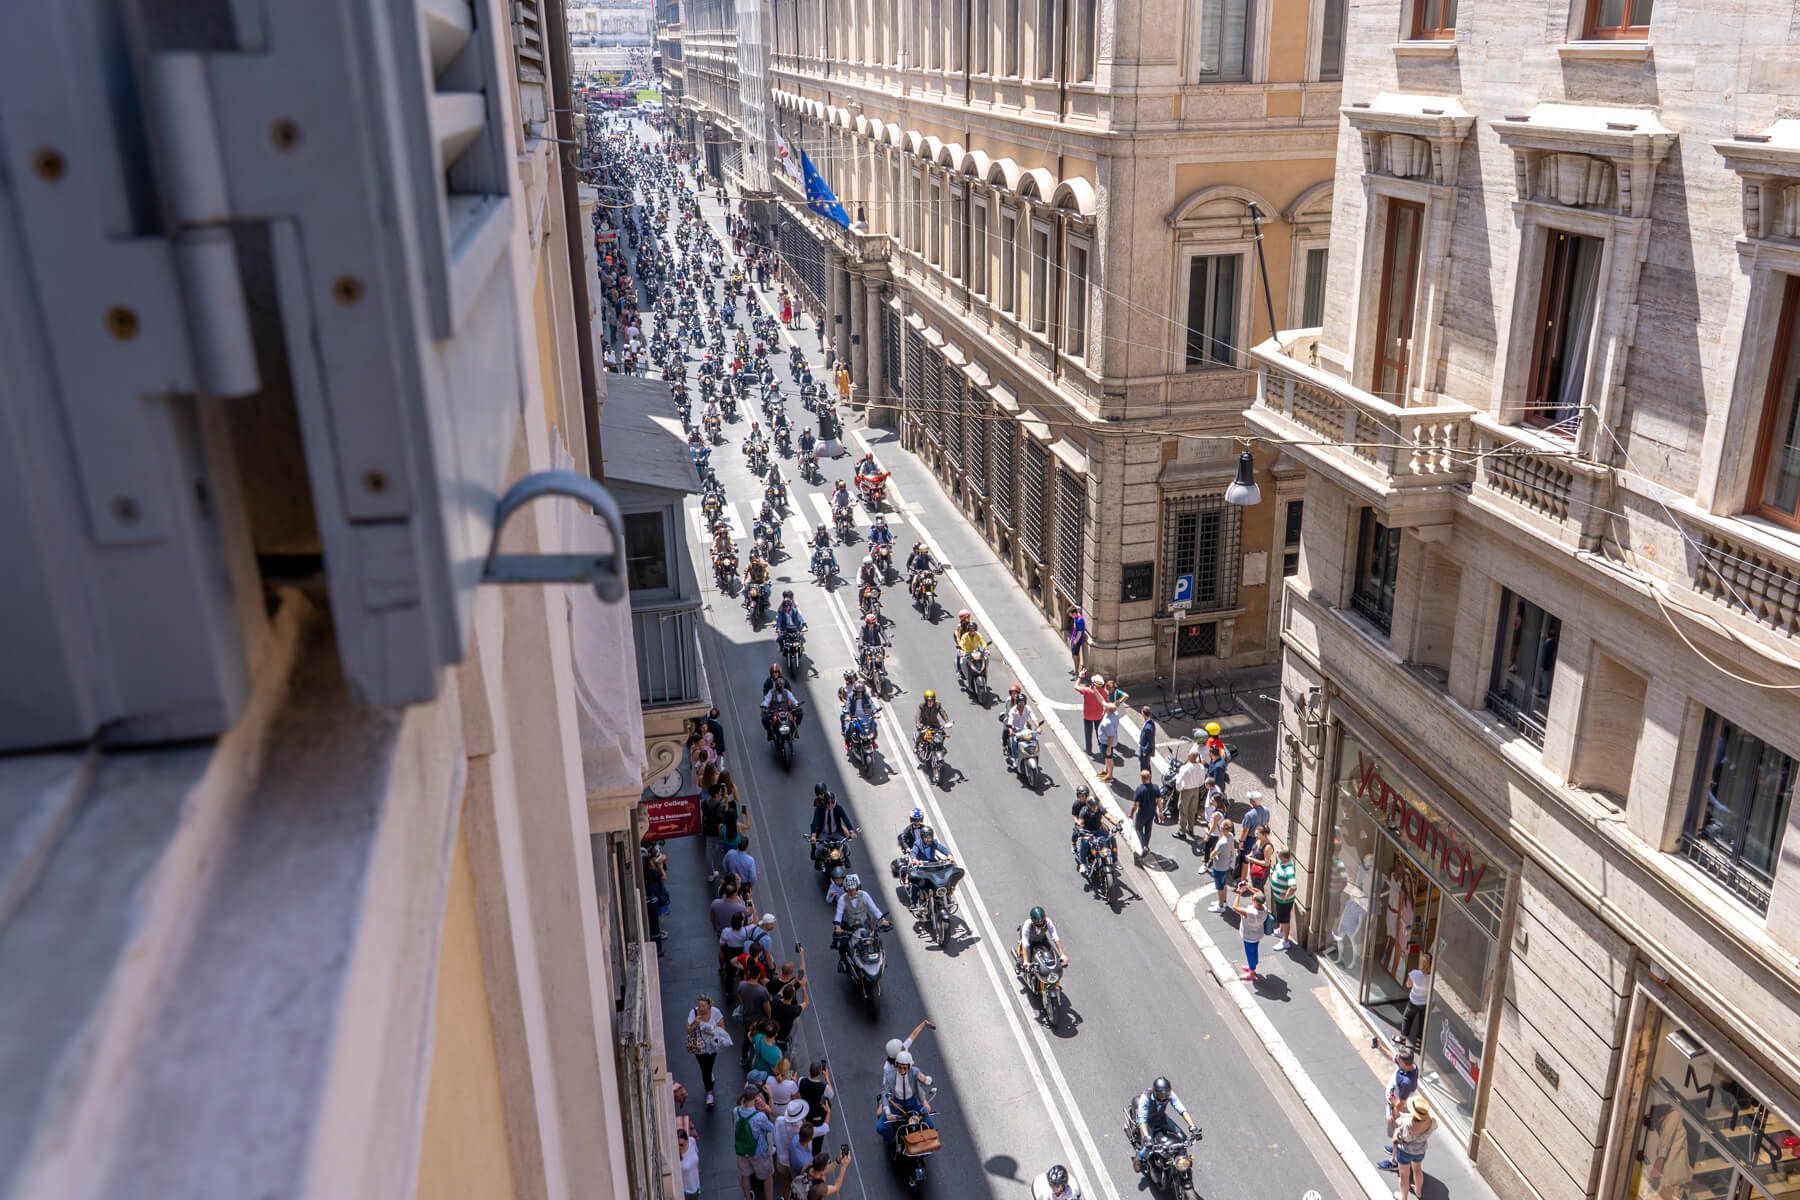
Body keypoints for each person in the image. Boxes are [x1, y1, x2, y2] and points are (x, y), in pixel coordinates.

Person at [1132, 1077, 1196, 1167]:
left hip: (1162, 1119)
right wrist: (1147, 1137)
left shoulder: (1169, 1094)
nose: (1165, 1097)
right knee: (1148, 1148)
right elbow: (1142, 1120)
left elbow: (1181, 1109)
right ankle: (1138, 1158)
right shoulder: (1145, 1098)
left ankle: (1181, 1158)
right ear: (1156, 1093)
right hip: (1148, 1123)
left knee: (1182, 1138)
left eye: (1167, 1094)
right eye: (1162, 1095)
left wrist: (1192, 1126)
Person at [1377, 1045, 1422, 1171]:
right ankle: (1395, 1148)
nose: (1397, 1059)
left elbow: (1401, 1103)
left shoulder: (1407, 1082)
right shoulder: (1410, 1065)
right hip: (1394, 1105)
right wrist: (1379, 1046)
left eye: (1399, 1060)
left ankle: (1394, 1161)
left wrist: (1393, 1113)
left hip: (1398, 1109)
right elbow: (1392, 1057)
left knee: (1397, 1134)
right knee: (1396, 1135)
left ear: (1403, 1063)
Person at [876, 1051, 935, 1146]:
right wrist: (887, 1113)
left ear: (909, 1067)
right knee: (880, 1127)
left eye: (905, 1068)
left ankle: (919, 1138)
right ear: (896, 1065)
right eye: (899, 1067)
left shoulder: (915, 1071)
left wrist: (926, 1081)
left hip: (912, 1103)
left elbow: (925, 1082)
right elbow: (885, 1094)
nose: (902, 1071)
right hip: (897, 1105)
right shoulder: (889, 1076)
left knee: (930, 1125)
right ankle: (892, 1139)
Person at [732, 1084, 778, 1200]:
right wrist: (763, 1110)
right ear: (755, 1097)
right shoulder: (759, 1116)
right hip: (758, 1153)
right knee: (767, 1177)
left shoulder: (736, 1110)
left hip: (742, 1151)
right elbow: (771, 1128)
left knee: (745, 1175)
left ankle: (748, 1197)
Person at [686, 993, 730, 1109]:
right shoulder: (693, 1013)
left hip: (712, 1046)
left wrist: (713, 1032)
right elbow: (688, 1030)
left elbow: (722, 1028)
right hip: (699, 1047)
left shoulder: (716, 1012)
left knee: (709, 1065)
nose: (700, 1009)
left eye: (703, 1006)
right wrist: (695, 1022)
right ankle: (709, 1094)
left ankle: (710, 1074)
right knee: (704, 1069)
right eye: (699, 1006)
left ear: (709, 1006)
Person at [1390, 1095, 1435, 1200]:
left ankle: (1403, 1197)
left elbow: (1396, 1121)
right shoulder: (1431, 1121)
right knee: (1417, 1170)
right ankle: (1418, 1192)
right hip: (1420, 1151)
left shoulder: (1407, 1125)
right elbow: (1412, 1118)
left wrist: (1394, 1105)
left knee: (1404, 1176)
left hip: (1405, 1153)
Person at [831, 873, 887, 949]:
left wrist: (882, 919)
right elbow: (839, 914)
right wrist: (837, 926)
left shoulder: (864, 895)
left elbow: (874, 909)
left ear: (857, 887)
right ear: (845, 889)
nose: (852, 892)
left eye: (853, 889)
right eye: (849, 890)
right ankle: (843, 958)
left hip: (864, 923)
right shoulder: (842, 899)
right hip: (849, 926)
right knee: (843, 945)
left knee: (877, 942)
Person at [1069, 787, 1117, 872]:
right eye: (1093, 806)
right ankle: (1083, 864)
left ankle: (1115, 859)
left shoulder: (1099, 808)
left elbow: (1108, 816)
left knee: (1112, 838)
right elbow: (1079, 821)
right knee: (1084, 843)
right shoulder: (1083, 811)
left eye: (1096, 806)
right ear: (1089, 806)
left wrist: (1118, 824)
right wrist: (1080, 829)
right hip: (1088, 832)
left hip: (1098, 829)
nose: (1096, 808)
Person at [1230, 881, 1267, 981]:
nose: (1252, 898)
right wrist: (1249, 887)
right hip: (1257, 935)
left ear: (1255, 902)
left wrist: (1239, 893)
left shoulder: (1251, 912)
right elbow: (1259, 892)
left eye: (1253, 898)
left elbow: (1235, 907)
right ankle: (1252, 967)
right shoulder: (1264, 907)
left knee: (1250, 954)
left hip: (1249, 937)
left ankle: (1251, 973)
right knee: (1254, 952)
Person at [1002, 687, 1043, 765]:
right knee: (1013, 741)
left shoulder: (1027, 708)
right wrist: (1011, 732)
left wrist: (1038, 727)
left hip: (1024, 729)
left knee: (1035, 739)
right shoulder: (1012, 711)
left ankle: (1034, 754)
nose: (1021, 705)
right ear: (1017, 703)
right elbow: (1010, 723)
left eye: (1023, 703)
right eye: (1020, 703)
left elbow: (1034, 718)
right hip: (1015, 730)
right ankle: (1015, 758)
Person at [1016, 905, 1067, 969]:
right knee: (1025, 962)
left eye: (1042, 921)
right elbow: (1025, 944)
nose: (1040, 924)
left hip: (1041, 938)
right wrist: (1026, 961)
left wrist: (1062, 954)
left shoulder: (1048, 921)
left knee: (1055, 956)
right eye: (1038, 922)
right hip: (1029, 939)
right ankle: (1019, 962)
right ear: (1032, 921)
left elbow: (1055, 937)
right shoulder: (1027, 925)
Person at [1269, 847, 1300, 952]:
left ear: (1282, 857)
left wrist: (1285, 896)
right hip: (1279, 899)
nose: (1277, 854)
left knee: (1285, 920)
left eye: (1278, 853)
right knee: (1281, 917)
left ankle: (1285, 941)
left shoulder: (1289, 869)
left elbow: (1293, 887)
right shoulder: (1282, 861)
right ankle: (1281, 930)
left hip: (1285, 902)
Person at [1400, 951, 1432, 1046]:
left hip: (1413, 1002)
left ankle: (1402, 1038)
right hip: (1425, 1004)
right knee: (1422, 1022)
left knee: (1407, 1018)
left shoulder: (1415, 974)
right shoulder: (1432, 977)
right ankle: (1419, 1042)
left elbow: (1408, 985)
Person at [1206, 820, 1239, 913]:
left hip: (1219, 867)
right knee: (1224, 884)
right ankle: (1223, 901)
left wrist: (1212, 853)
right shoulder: (1231, 837)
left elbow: (1212, 855)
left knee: (1219, 887)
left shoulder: (1222, 842)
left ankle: (1220, 906)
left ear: (1222, 828)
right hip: (1226, 865)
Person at [1174, 749, 1208, 839]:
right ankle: (1191, 829)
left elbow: (1179, 782)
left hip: (1186, 791)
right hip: (1196, 790)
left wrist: (1180, 789)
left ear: (1189, 757)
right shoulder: (1201, 767)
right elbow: (1202, 781)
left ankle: (1182, 831)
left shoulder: (1184, 768)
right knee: (1192, 811)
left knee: (1183, 810)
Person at [1074, 673, 1107, 758]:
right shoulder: (1104, 692)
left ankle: (1089, 750)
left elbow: (1076, 686)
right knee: (1099, 733)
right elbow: (1106, 703)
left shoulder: (1087, 690)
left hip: (1088, 715)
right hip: (1099, 715)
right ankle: (1102, 750)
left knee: (1088, 733)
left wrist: (1080, 676)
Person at [1129, 768, 1158, 861]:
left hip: (1142, 813)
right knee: (1148, 830)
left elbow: (1135, 805)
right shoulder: (1155, 787)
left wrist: (1131, 814)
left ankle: (1143, 846)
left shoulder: (1139, 789)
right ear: (1150, 777)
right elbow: (1159, 800)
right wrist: (1160, 812)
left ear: (1142, 778)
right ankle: (1146, 845)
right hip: (1152, 812)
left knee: (1138, 828)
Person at [1096, 701, 1122, 783]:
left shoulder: (1108, 723)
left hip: (1106, 743)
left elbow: (1111, 736)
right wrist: (1095, 690)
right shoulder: (1114, 713)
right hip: (1105, 742)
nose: (1104, 706)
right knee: (1107, 758)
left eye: (1106, 707)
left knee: (1109, 759)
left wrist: (1109, 748)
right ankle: (1106, 770)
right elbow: (1102, 700)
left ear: (1108, 710)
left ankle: (1109, 775)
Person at [678, 1124, 702, 1198]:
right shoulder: (676, 1154)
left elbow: (696, 1155)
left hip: (696, 1185)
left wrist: (698, 1169)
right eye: (677, 1144)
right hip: (685, 1191)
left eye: (681, 1144)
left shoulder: (692, 1141)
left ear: (687, 1140)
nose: (679, 1147)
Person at [1067, 606, 1088, 677]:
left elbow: (1079, 632)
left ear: (1074, 613)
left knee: (1075, 656)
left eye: (1071, 615)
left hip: (1077, 640)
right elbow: (1078, 609)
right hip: (1074, 639)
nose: (1071, 617)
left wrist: (1075, 641)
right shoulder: (1077, 615)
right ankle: (1076, 669)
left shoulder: (1079, 621)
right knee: (1074, 655)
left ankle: (1076, 672)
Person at [1137, 707, 1158, 775]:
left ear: (1144, 714)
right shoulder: (1151, 723)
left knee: (1144, 768)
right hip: (1144, 749)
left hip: (1144, 751)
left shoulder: (1148, 727)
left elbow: (1150, 742)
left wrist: (1145, 752)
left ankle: (1146, 782)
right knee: (1147, 767)